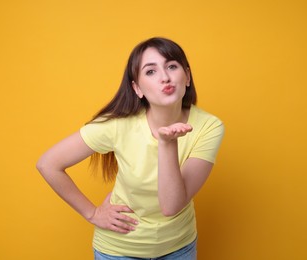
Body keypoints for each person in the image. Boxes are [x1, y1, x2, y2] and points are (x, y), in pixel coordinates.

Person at [37, 37, 224, 259]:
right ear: (137, 88)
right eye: (151, 72)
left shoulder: (209, 126)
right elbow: (48, 164)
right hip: (118, 251)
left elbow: (171, 206)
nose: (165, 77)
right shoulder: (117, 125)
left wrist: (167, 144)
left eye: (172, 66)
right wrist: (93, 213)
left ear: (187, 76)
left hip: (179, 247)